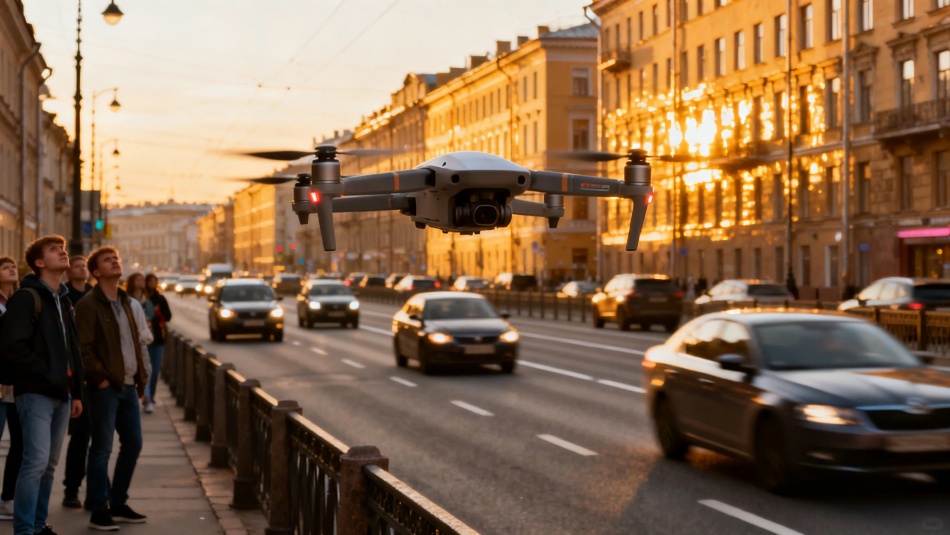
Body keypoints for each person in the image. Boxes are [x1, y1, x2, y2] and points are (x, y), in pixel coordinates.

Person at [0, 236, 84, 535]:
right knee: (34, 462)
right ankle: (24, 530)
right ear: (38, 263)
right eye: (53, 250)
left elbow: (73, 350)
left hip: (63, 394)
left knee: (48, 465)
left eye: (62, 248)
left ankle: (37, 525)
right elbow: (13, 345)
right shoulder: (27, 298)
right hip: (35, 393)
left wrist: (76, 392)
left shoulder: (62, 299)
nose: (63, 252)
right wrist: (47, 374)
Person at [75, 247, 152, 530]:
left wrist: (141, 378)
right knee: (102, 448)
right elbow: (84, 348)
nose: (115, 262)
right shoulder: (88, 305)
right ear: (96, 272)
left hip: (129, 385)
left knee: (133, 444)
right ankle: (98, 509)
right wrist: (101, 378)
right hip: (105, 388)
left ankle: (118, 502)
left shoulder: (127, 303)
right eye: (108, 260)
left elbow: (135, 343)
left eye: (116, 258)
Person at [61, 255, 93, 509]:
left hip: (97, 376)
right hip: (75, 375)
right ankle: (71, 488)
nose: (82, 268)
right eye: (77, 265)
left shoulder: (94, 295)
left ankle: (97, 492)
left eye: (85, 265)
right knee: (81, 435)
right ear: (69, 272)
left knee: (100, 439)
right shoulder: (64, 296)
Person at [0, 256, 22, 520]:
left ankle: (8, 497)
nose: (12, 270)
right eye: (5, 268)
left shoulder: (18, 302)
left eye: (13, 267)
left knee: (20, 443)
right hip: (1, 383)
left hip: (17, 386)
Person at [142, 273, 171, 414]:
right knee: (147, 370)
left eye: (155, 280)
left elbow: (169, 316)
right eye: (150, 281)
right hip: (144, 339)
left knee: (155, 370)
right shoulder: (142, 299)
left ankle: (151, 396)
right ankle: (146, 397)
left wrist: (158, 314)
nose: (152, 283)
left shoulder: (160, 299)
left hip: (158, 338)